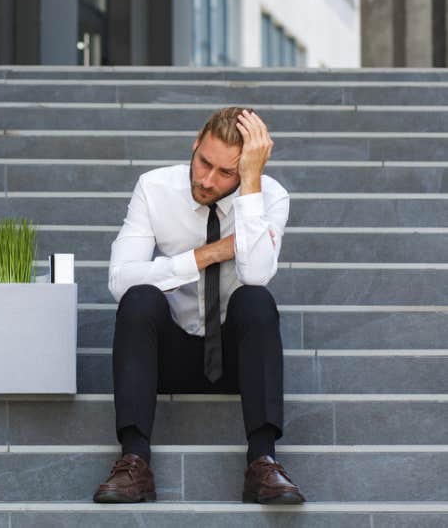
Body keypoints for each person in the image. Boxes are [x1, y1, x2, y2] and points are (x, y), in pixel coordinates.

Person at [92, 106, 306, 505]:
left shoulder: (271, 197)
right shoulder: (154, 188)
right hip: (167, 357)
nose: (207, 180)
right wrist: (204, 256)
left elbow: (257, 273)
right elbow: (119, 279)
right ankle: (134, 462)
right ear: (195, 144)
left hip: (235, 358)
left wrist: (251, 185)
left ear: (244, 170)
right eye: (203, 162)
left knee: (255, 300)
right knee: (139, 299)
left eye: (226, 173)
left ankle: (263, 461)